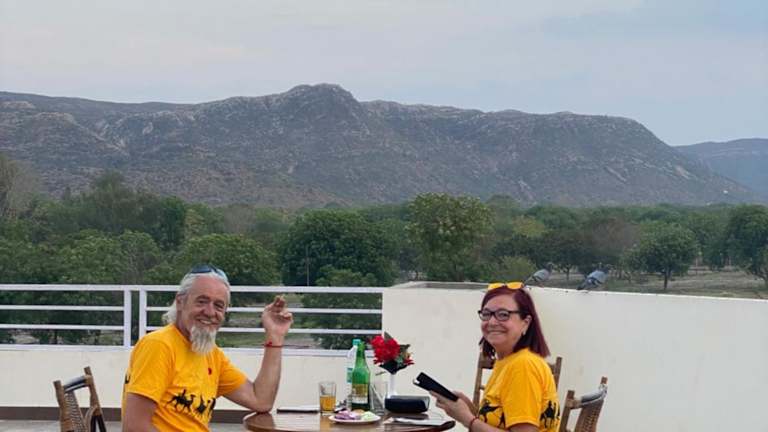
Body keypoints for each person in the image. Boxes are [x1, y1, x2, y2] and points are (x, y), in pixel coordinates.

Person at [122, 264, 293, 431]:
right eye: (202, 301)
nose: (210, 312)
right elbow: (135, 426)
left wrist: (274, 336)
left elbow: (260, 400)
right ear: (180, 302)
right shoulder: (160, 345)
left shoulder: (211, 354)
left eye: (218, 305)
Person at [431, 282, 560, 432]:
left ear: (525, 323)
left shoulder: (523, 366)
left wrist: (467, 419)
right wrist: (469, 409)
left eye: (503, 315)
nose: (492, 322)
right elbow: (499, 423)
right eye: (486, 314)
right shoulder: (507, 362)